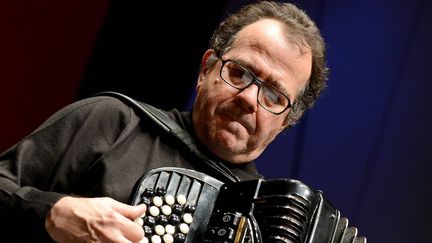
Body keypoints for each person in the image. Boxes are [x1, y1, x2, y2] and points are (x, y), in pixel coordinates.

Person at [0, 1, 328, 242]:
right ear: (206, 70)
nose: (247, 98)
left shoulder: (267, 221)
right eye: (239, 72)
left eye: (273, 95)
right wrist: (53, 213)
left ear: (286, 122)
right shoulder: (113, 122)